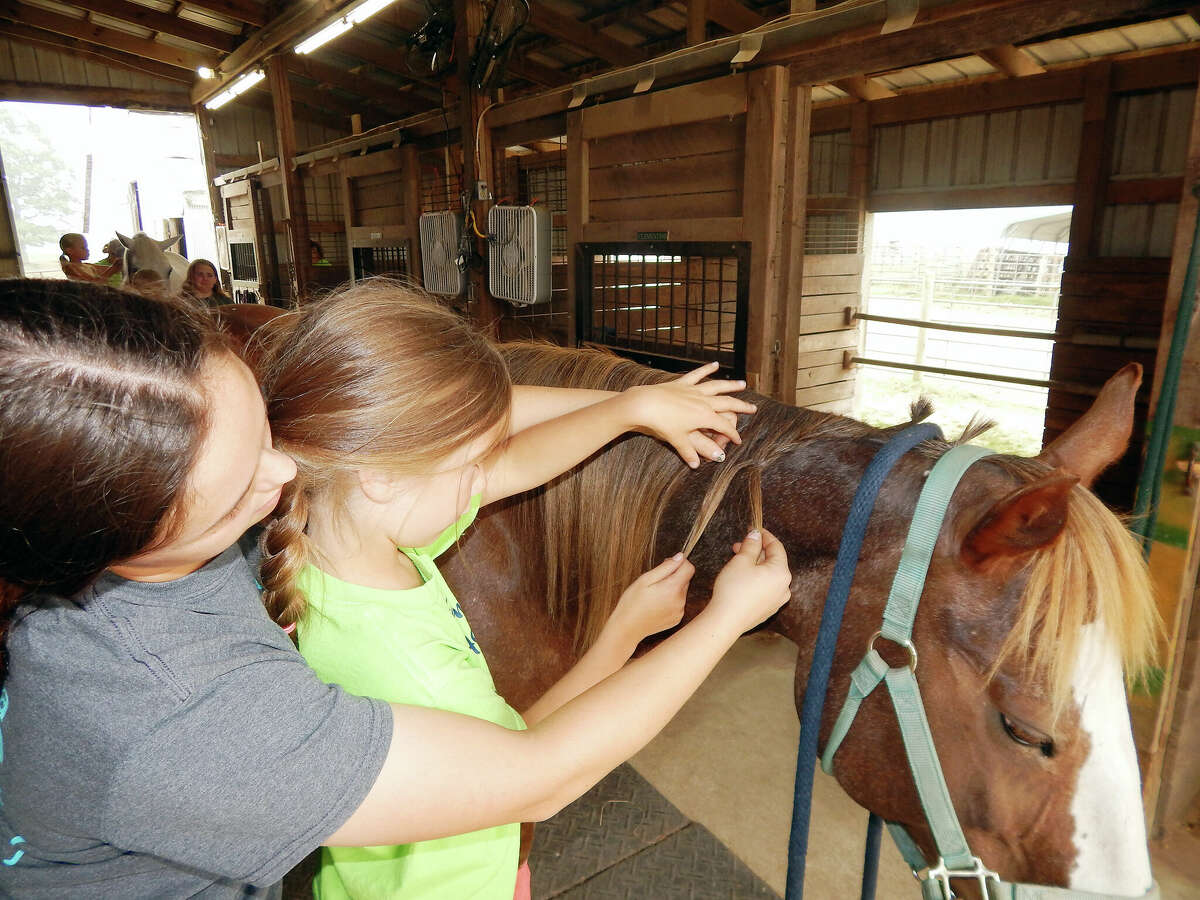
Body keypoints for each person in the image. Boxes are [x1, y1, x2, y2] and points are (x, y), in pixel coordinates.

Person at [0, 278, 793, 899]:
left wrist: (629, 405)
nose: (283, 473)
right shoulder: (182, 719)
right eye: (245, 475)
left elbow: (442, 441)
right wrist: (718, 622)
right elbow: (539, 774)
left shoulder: (308, 521)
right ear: (129, 523)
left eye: (268, 435)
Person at [255, 283, 754, 899]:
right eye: (469, 463)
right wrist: (700, 621)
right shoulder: (415, 666)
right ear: (381, 474)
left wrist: (631, 406)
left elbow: (509, 466)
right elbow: (535, 768)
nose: (481, 480)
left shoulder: (339, 547)